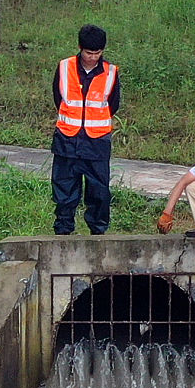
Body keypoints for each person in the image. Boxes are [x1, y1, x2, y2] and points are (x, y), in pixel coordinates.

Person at [52, 24, 120, 236]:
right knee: (64, 192)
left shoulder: (110, 72)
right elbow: (58, 97)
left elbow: (113, 104)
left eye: (97, 53)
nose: (93, 57)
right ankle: (63, 234)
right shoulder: (64, 67)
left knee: (99, 193)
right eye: (89, 53)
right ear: (80, 48)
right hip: (67, 141)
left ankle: (98, 235)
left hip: (97, 143)